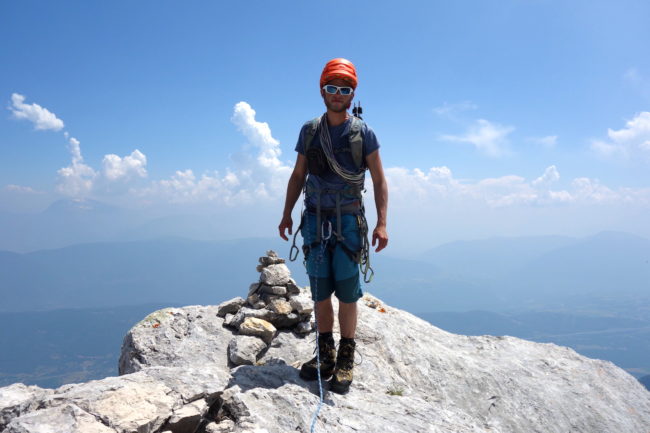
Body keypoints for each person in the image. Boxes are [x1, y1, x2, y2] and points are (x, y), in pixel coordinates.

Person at [278, 58, 388, 394]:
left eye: (344, 88)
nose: (337, 93)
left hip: (348, 222)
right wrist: (286, 214)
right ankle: (325, 355)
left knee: (348, 294)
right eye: (332, 87)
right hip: (314, 220)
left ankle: (345, 359)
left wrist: (382, 223)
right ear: (322, 91)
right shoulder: (310, 131)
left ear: (352, 94)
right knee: (321, 291)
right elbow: (298, 174)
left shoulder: (363, 133)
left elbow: (379, 179)